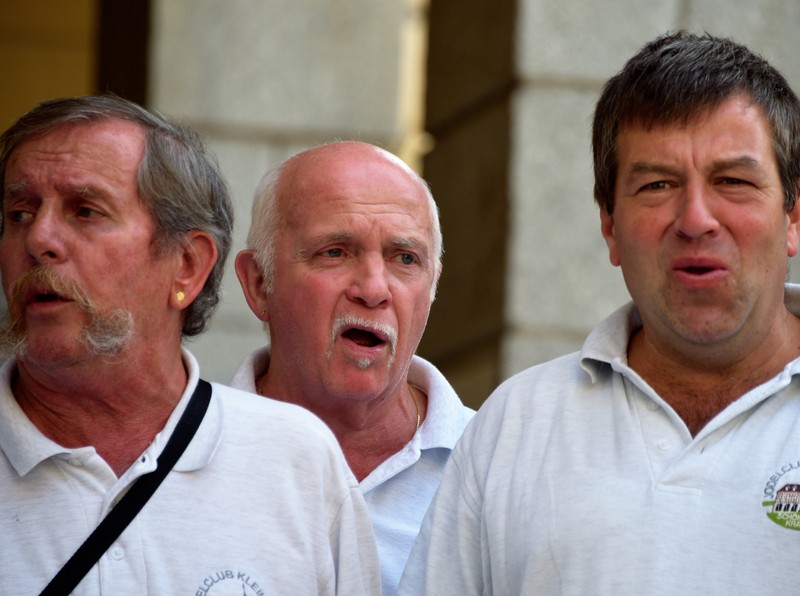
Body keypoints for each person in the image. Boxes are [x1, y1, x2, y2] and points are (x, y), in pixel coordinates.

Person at [398, 31, 800, 595]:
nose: (695, 219)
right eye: (657, 185)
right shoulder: (515, 427)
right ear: (609, 224)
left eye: (732, 181)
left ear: (793, 216)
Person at [0, 95, 380, 595]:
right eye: (19, 214)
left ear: (187, 265)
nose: (39, 239)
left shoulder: (295, 460)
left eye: (85, 211)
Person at [232, 140, 474, 595]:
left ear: (432, 288)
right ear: (260, 283)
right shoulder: (178, 460)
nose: (374, 289)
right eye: (335, 252)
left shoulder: (493, 466)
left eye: (405, 258)